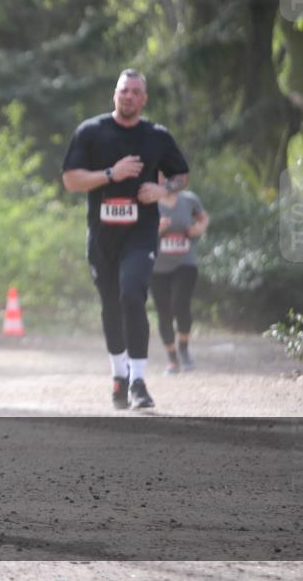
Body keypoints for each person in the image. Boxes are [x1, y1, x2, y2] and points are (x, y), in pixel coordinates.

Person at [61, 69, 189, 410]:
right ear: (114, 94)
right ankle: (118, 375)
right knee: (111, 305)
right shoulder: (91, 132)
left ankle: (138, 381)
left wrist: (163, 189)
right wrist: (110, 174)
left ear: (144, 99)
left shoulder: (157, 136)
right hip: (102, 237)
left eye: (135, 91)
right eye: (123, 90)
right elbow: (71, 180)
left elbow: (181, 174)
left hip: (141, 234)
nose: (129, 96)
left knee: (132, 294)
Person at [153, 180, 209, 374]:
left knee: (180, 304)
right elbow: (138, 231)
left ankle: (183, 348)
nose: (165, 180)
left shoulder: (189, 199)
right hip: (157, 266)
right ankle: (172, 358)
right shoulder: (149, 202)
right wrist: (156, 229)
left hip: (185, 263)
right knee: (164, 311)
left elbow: (203, 218)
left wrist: (198, 230)